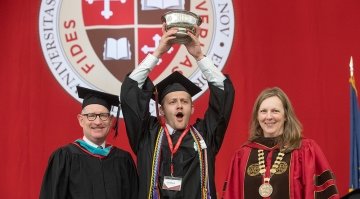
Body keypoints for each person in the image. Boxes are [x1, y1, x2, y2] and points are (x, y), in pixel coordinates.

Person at [120, 24, 235, 198]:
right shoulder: (147, 136)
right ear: (162, 109)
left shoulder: (206, 136)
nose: (179, 105)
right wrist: (158, 52)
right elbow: (130, 90)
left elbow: (223, 91)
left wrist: (199, 56)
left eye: (184, 101)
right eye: (172, 102)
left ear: (192, 107)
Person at [222, 87, 339, 199]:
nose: (268, 117)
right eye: (263, 111)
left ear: (286, 116)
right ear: (257, 116)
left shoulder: (305, 150)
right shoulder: (242, 156)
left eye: (275, 111)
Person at [39, 86, 138, 199]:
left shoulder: (123, 160)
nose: (97, 122)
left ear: (111, 121)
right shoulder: (64, 158)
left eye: (103, 116)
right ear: (81, 120)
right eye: (91, 116)